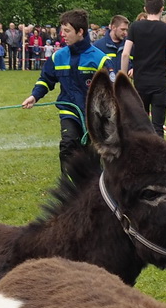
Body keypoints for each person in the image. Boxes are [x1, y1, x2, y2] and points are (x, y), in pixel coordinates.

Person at [22, 9, 108, 180]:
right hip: (69, 110)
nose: (63, 35)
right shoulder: (58, 57)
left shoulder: (100, 59)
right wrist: (34, 96)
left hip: (94, 115)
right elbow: (46, 79)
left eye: (67, 31)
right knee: (68, 143)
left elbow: (110, 90)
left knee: (92, 152)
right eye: (62, 30)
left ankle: (94, 186)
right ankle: (68, 186)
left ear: (80, 32)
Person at [121, 0, 166, 128]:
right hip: (158, 82)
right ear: (162, 9)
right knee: (157, 126)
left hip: (141, 82)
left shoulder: (135, 27)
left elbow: (125, 54)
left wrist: (123, 75)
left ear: (145, 9)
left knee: (141, 125)